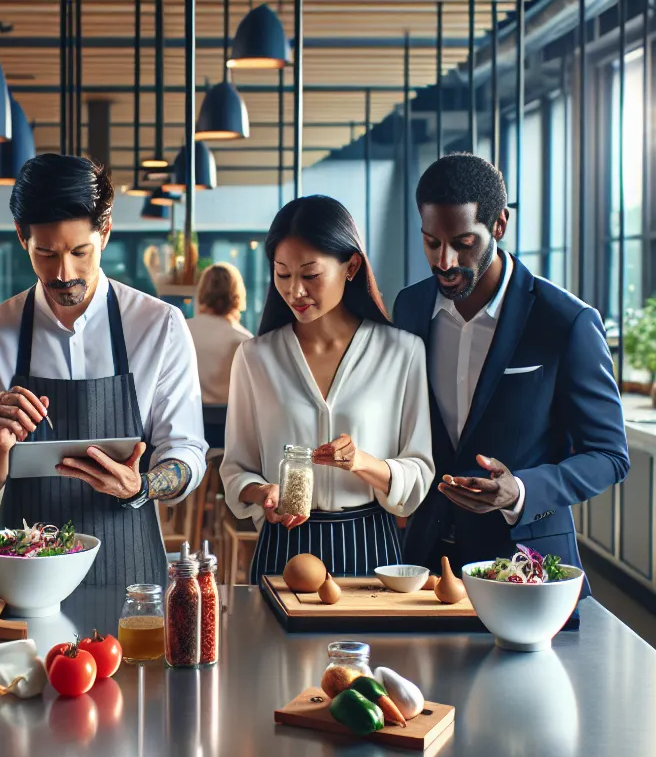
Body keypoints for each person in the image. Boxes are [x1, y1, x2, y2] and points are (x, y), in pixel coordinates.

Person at [0, 154, 208, 586]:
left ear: (104, 232)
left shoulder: (159, 326)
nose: (63, 273)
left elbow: (187, 455)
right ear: (21, 237)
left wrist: (140, 485)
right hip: (24, 576)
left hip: (132, 575)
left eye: (79, 252)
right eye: (45, 253)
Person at [392, 154, 628, 619]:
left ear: (499, 224)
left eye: (463, 243)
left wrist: (520, 490)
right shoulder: (409, 308)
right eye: (431, 242)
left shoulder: (566, 322)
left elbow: (610, 456)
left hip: (525, 566)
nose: (445, 261)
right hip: (423, 560)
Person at [222, 195, 434, 582]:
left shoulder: (402, 352)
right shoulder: (254, 357)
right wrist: (262, 493)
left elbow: (419, 470)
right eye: (282, 274)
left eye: (310, 274)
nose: (295, 291)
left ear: (351, 266)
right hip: (283, 548)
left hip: (371, 547)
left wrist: (362, 462)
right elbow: (236, 469)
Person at [187, 261, 252, 448]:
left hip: (188, 427)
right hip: (229, 433)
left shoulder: (182, 329)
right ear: (237, 295)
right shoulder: (245, 340)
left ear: (201, 293)